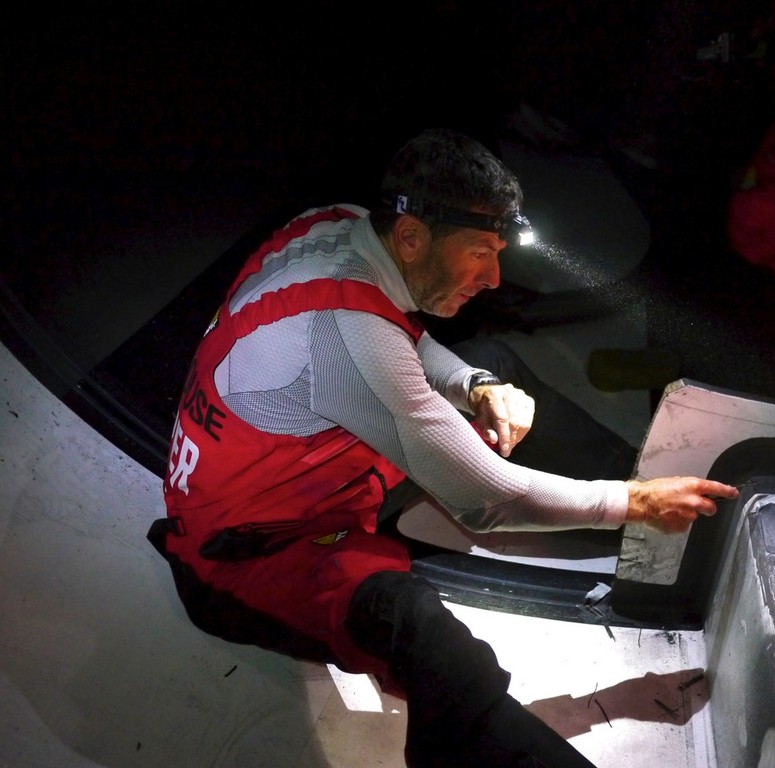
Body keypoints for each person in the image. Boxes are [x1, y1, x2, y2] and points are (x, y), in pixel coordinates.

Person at [147, 128, 738, 767]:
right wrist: (631, 502)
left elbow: (406, 342)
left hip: (308, 474)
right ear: (410, 238)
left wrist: (477, 386)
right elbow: (488, 503)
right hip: (247, 552)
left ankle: (673, 517)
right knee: (430, 640)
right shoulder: (347, 339)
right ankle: (655, 510)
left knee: (495, 366)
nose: (493, 278)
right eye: (481, 252)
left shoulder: (338, 223)